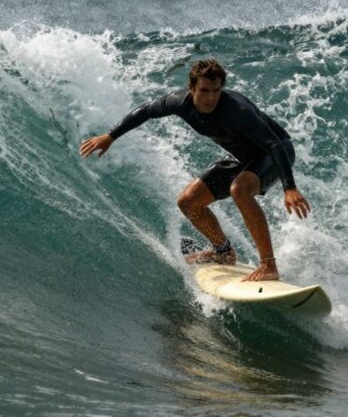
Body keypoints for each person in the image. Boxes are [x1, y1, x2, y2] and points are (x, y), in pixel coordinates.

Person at [79, 59, 311, 282]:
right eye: (204, 90)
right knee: (188, 201)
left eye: (216, 90)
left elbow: (274, 145)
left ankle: (269, 265)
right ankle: (223, 251)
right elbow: (147, 110)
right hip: (242, 157)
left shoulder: (237, 110)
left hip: (274, 152)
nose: (211, 98)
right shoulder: (180, 102)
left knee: (240, 189)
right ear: (191, 88)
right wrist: (111, 136)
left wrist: (289, 187)